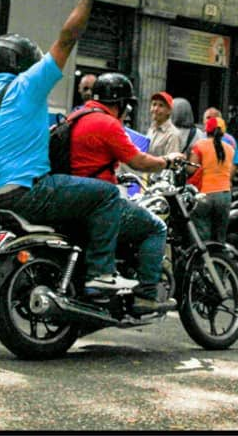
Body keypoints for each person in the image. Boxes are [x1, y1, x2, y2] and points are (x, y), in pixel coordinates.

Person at [0, 0, 132, 292]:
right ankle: (101, 273)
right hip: (26, 194)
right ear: (22, 65)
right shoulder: (26, 87)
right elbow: (69, 37)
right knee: (106, 195)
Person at [69, 73, 183, 312]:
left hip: (75, 199)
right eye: (126, 104)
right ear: (118, 102)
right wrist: (166, 161)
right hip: (99, 204)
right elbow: (139, 161)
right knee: (155, 227)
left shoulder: (76, 116)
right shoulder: (108, 123)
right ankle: (146, 294)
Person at [185, 117, 235, 243]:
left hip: (204, 195)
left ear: (206, 131)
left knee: (202, 236)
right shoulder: (230, 149)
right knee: (220, 237)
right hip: (225, 195)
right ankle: (219, 259)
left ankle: (203, 261)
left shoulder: (200, 145)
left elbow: (191, 169)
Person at [197, 107, 238, 177]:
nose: (211, 120)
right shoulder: (199, 137)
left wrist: (228, 180)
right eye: (208, 117)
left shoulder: (230, 140)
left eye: (215, 118)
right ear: (203, 120)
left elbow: (234, 163)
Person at [146, 91, 181, 157]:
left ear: (169, 111)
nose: (156, 109)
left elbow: (171, 164)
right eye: (154, 104)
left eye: (161, 105)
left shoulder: (173, 135)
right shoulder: (151, 128)